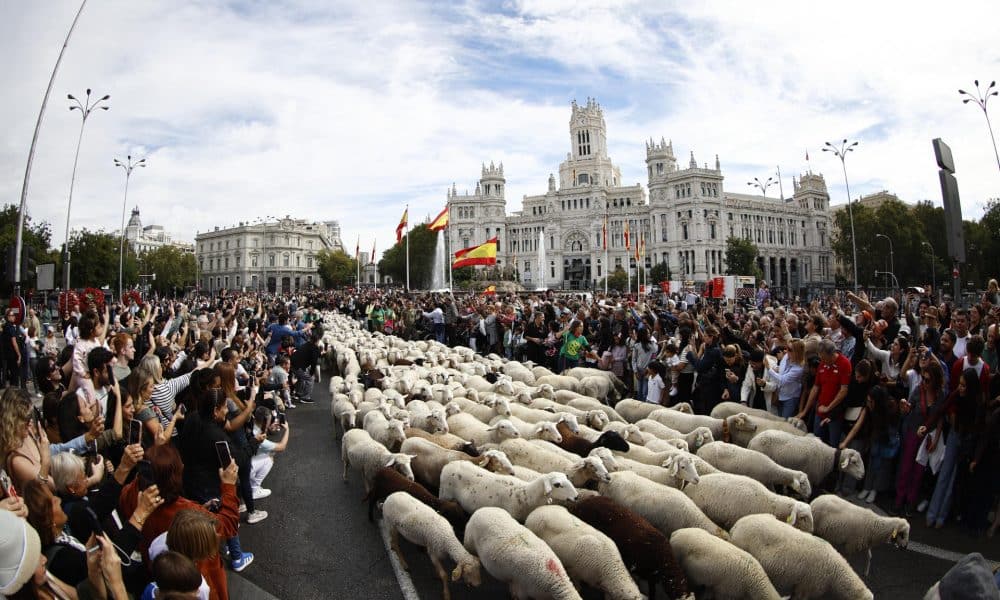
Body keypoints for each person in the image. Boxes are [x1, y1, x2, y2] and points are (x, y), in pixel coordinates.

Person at [893, 359, 946, 516]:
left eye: (928, 380)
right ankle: (899, 500)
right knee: (906, 468)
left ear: (935, 381)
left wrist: (936, 439)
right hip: (913, 433)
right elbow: (908, 409)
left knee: (919, 472)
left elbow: (940, 418)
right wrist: (904, 408)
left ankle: (910, 501)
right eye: (923, 378)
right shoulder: (918, 390)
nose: (924, 382)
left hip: (928, 437)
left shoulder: (941, 395)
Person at [797, 340, 852, 448]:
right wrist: (805, 411)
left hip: (835, 414)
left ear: (831, 354)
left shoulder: (844, 364)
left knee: (832, 446)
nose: (822, 360)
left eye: (824, 358)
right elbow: (815, 388)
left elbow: (843, 390)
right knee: (816, 442)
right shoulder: (822, 364)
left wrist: (828, 408)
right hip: (820, 411)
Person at [249, 408, 290, 500]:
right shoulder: (259, 438)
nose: (271, 421)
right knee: (269, 458)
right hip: (246, 466)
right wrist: (287, 430)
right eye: (270, 420)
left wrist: (269, 427)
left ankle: (251, 484)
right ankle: (254, 490)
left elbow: (262, 431)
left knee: (269, 452)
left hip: (245, 459)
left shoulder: (252, 423)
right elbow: (282, 447)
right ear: (265, 421)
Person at [765, 340, 805, 418]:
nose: (785, 351)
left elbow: (782, 381)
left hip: (790, 398)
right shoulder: (786, 356)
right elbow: (781, 370)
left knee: (785, 421)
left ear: (797, 352)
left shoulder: (799, 369)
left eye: (789, 349)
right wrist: (777, 368)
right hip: (780, 395)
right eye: (786, 348)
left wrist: (769, 368)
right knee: (779, 419)